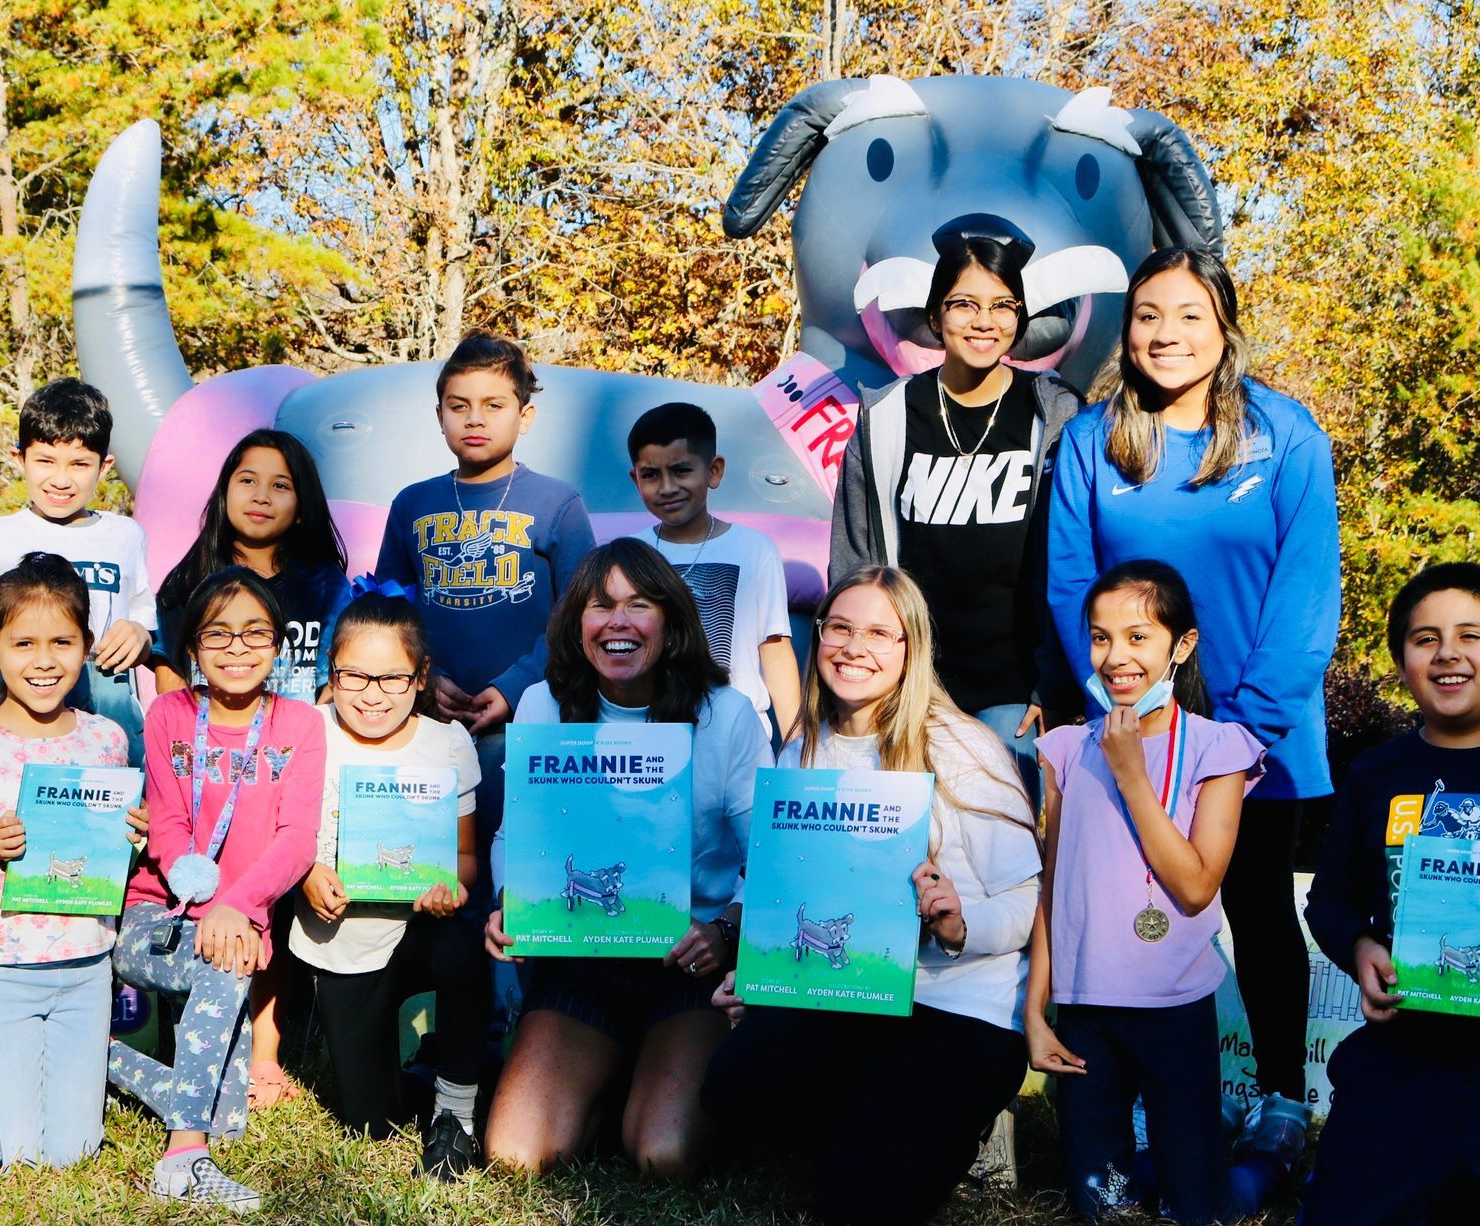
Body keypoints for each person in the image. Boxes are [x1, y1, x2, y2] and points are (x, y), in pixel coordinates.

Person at [1046, 247, 1339, 1130]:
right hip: (1133, 732)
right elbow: (1071, 586)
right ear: (1127, 329)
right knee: (1132, 910)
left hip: (1261, 737)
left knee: (1257, 910)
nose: (1166, 334)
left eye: (1188, 315)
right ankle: (1139, 1105)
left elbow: (1306, 597)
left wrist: (1236, 740)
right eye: (1148, 315)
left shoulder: (1287, 435)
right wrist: (1129, 718)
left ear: (1224, 327)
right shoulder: (1091, 440)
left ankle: (1281, 1102)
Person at [700, 564, 1041, 1226]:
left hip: (960, 1005)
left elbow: (1028, 902)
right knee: (730, 1087)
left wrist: (961, 924)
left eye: (880, 633)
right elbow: (780, 889)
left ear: (912, 649)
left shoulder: (962, 747)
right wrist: (761, 973)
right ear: (818, 635)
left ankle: (960, 1118)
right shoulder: (802, 749)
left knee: (855, 1206)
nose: (855, 647)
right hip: (850, 996)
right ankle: (878, 1115)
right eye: (840, 628)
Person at [1303, 563, 1480, 1223]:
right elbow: (1331, 898)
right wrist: (1360, 948)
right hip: (1408, 1053)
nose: (1447, 653)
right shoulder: (1376, 773)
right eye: (1425, 638)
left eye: (1471, 635)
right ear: (1402, 663)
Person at [483, 538, 768, 1179]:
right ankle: (608, 1079)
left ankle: (652, 1080)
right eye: (599, 605)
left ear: (671, 620)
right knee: (513, 1155)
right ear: (575, 622)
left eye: (639, 604)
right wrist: (508, 902)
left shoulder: (726, 715)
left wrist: (726, 932)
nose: (618, 622)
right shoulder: (544, 705)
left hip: (685, 966)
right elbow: (512, 837)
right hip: (580, 965)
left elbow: (770, 859)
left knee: (666, 1156)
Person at [1026, 560, 1298, 1224]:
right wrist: (1037, 1010)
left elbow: (1197, 885)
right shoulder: (1065, 748)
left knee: (1200, 1211)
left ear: (1182, 644)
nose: (1116, 656)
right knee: (1104, 1207)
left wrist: (1131, 773)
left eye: (1138, 636)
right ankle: (1196, 1140)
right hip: (1087, 1009)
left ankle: (1268, 1157)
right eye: (1100, 637)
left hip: (1173, 1008)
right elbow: (1052, 884)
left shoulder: (1219, 749)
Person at [830, 220, 1083, 798]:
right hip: (906, 683)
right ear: (935, 313)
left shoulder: (1055, 414)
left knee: (1001, 842)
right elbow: (854, 558)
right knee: (902, 842)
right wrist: (862, 670)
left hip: (1014, 693)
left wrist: (1055, 682)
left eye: (1002, 305)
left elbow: (1073, 558)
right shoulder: (886, 417)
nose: (984, 321)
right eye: (964, 304)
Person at [109, 567, 324, 1212]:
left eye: (255, 632)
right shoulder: (170, 712)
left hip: (236, 921)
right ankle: (182, 1157)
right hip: (158, 916)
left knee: (229, 1118)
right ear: (193, 647)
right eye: (217, 633)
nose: (237, 648)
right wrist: (212, 906)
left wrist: (236, 906)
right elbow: (169, 825)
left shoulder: (300, 724)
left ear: (279, 643)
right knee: (227, 963)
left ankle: (96, 1056)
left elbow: (297, 841)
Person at [265, 593, 489, 1180]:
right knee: (372, 1123)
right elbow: (274, 836)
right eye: (355, 676)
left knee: (462, 950)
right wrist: (304, 875)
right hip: (339, 938)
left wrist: (450, 888)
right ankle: (428, 1070)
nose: (372, 693)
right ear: (331, 673)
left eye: (392, 677)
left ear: (420, 677)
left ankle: (457, 1113)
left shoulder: (447, 743)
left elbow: (467, 859)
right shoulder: (308, 730)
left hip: (420, 929)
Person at [374, 331, 596, 908]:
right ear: (440, 416)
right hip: (429, 724)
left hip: (529, 726)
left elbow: (581, 614)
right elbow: (387, 615)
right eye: (459, 406)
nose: (475, 419)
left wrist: (514, 687)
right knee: (438, 876)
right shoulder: (412, 503)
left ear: (525, 416)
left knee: (520, 875)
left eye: (494, 405)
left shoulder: (558, 503)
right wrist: (425, 679)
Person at [0, 553, 148, 1166]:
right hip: (0, 970)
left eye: (62, 642)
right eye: (23, 643)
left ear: (86, 647)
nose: (44, 661)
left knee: (75, 1152)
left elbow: (117, 854)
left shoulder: (107, 739)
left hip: (89, 964)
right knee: (16, 1154)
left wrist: (134, 836)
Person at [0, 379, 158, 766]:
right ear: (19, 457)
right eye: (45, 461)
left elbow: (145, 633)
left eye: (79, 464)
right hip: (18, 720)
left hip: (109, 712)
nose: (61, 479)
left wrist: (140, 636)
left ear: (104, 466)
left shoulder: (126, 535)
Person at [626, 401, 799, 742]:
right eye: (651, 475)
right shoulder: (629, 555)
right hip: (651, 742)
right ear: (636, 479)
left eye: (681, 471)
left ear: (714, 471)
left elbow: (776, 652)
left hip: (739, 739)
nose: (667, 487)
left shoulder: (755, 550)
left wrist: (797, 745)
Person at [151, 428, 349, 704]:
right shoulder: (188, 580)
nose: (261, 497)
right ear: (224, 493)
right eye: (247, 480)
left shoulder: (326, 586)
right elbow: (170, 678)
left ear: (302, 508)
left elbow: (335, 681)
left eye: (280, 486)